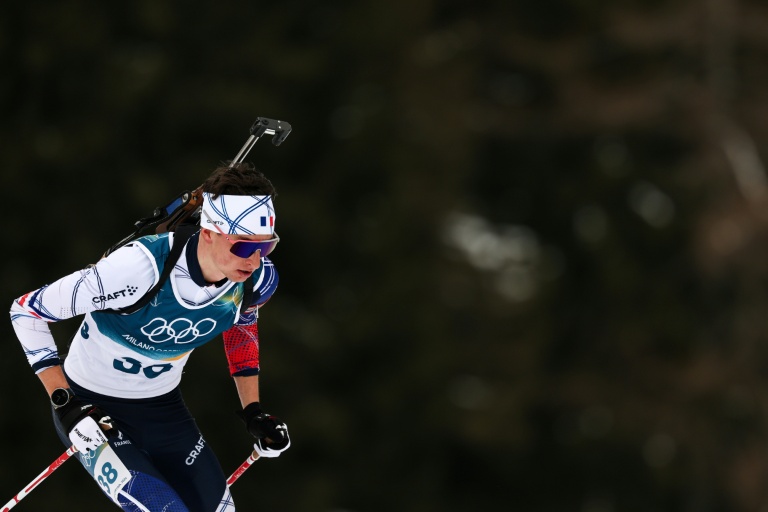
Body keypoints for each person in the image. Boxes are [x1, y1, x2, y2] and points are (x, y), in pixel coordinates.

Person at [9, 162, 291, 511]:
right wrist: (66, 404)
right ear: (208, 232)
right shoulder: (138, 269)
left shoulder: (257, 280)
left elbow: (242, 327)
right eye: (244, 247)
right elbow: (25, 311)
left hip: (163, 412)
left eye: (266, 247)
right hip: (91, 408)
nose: (254, 260)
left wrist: (254, 411)